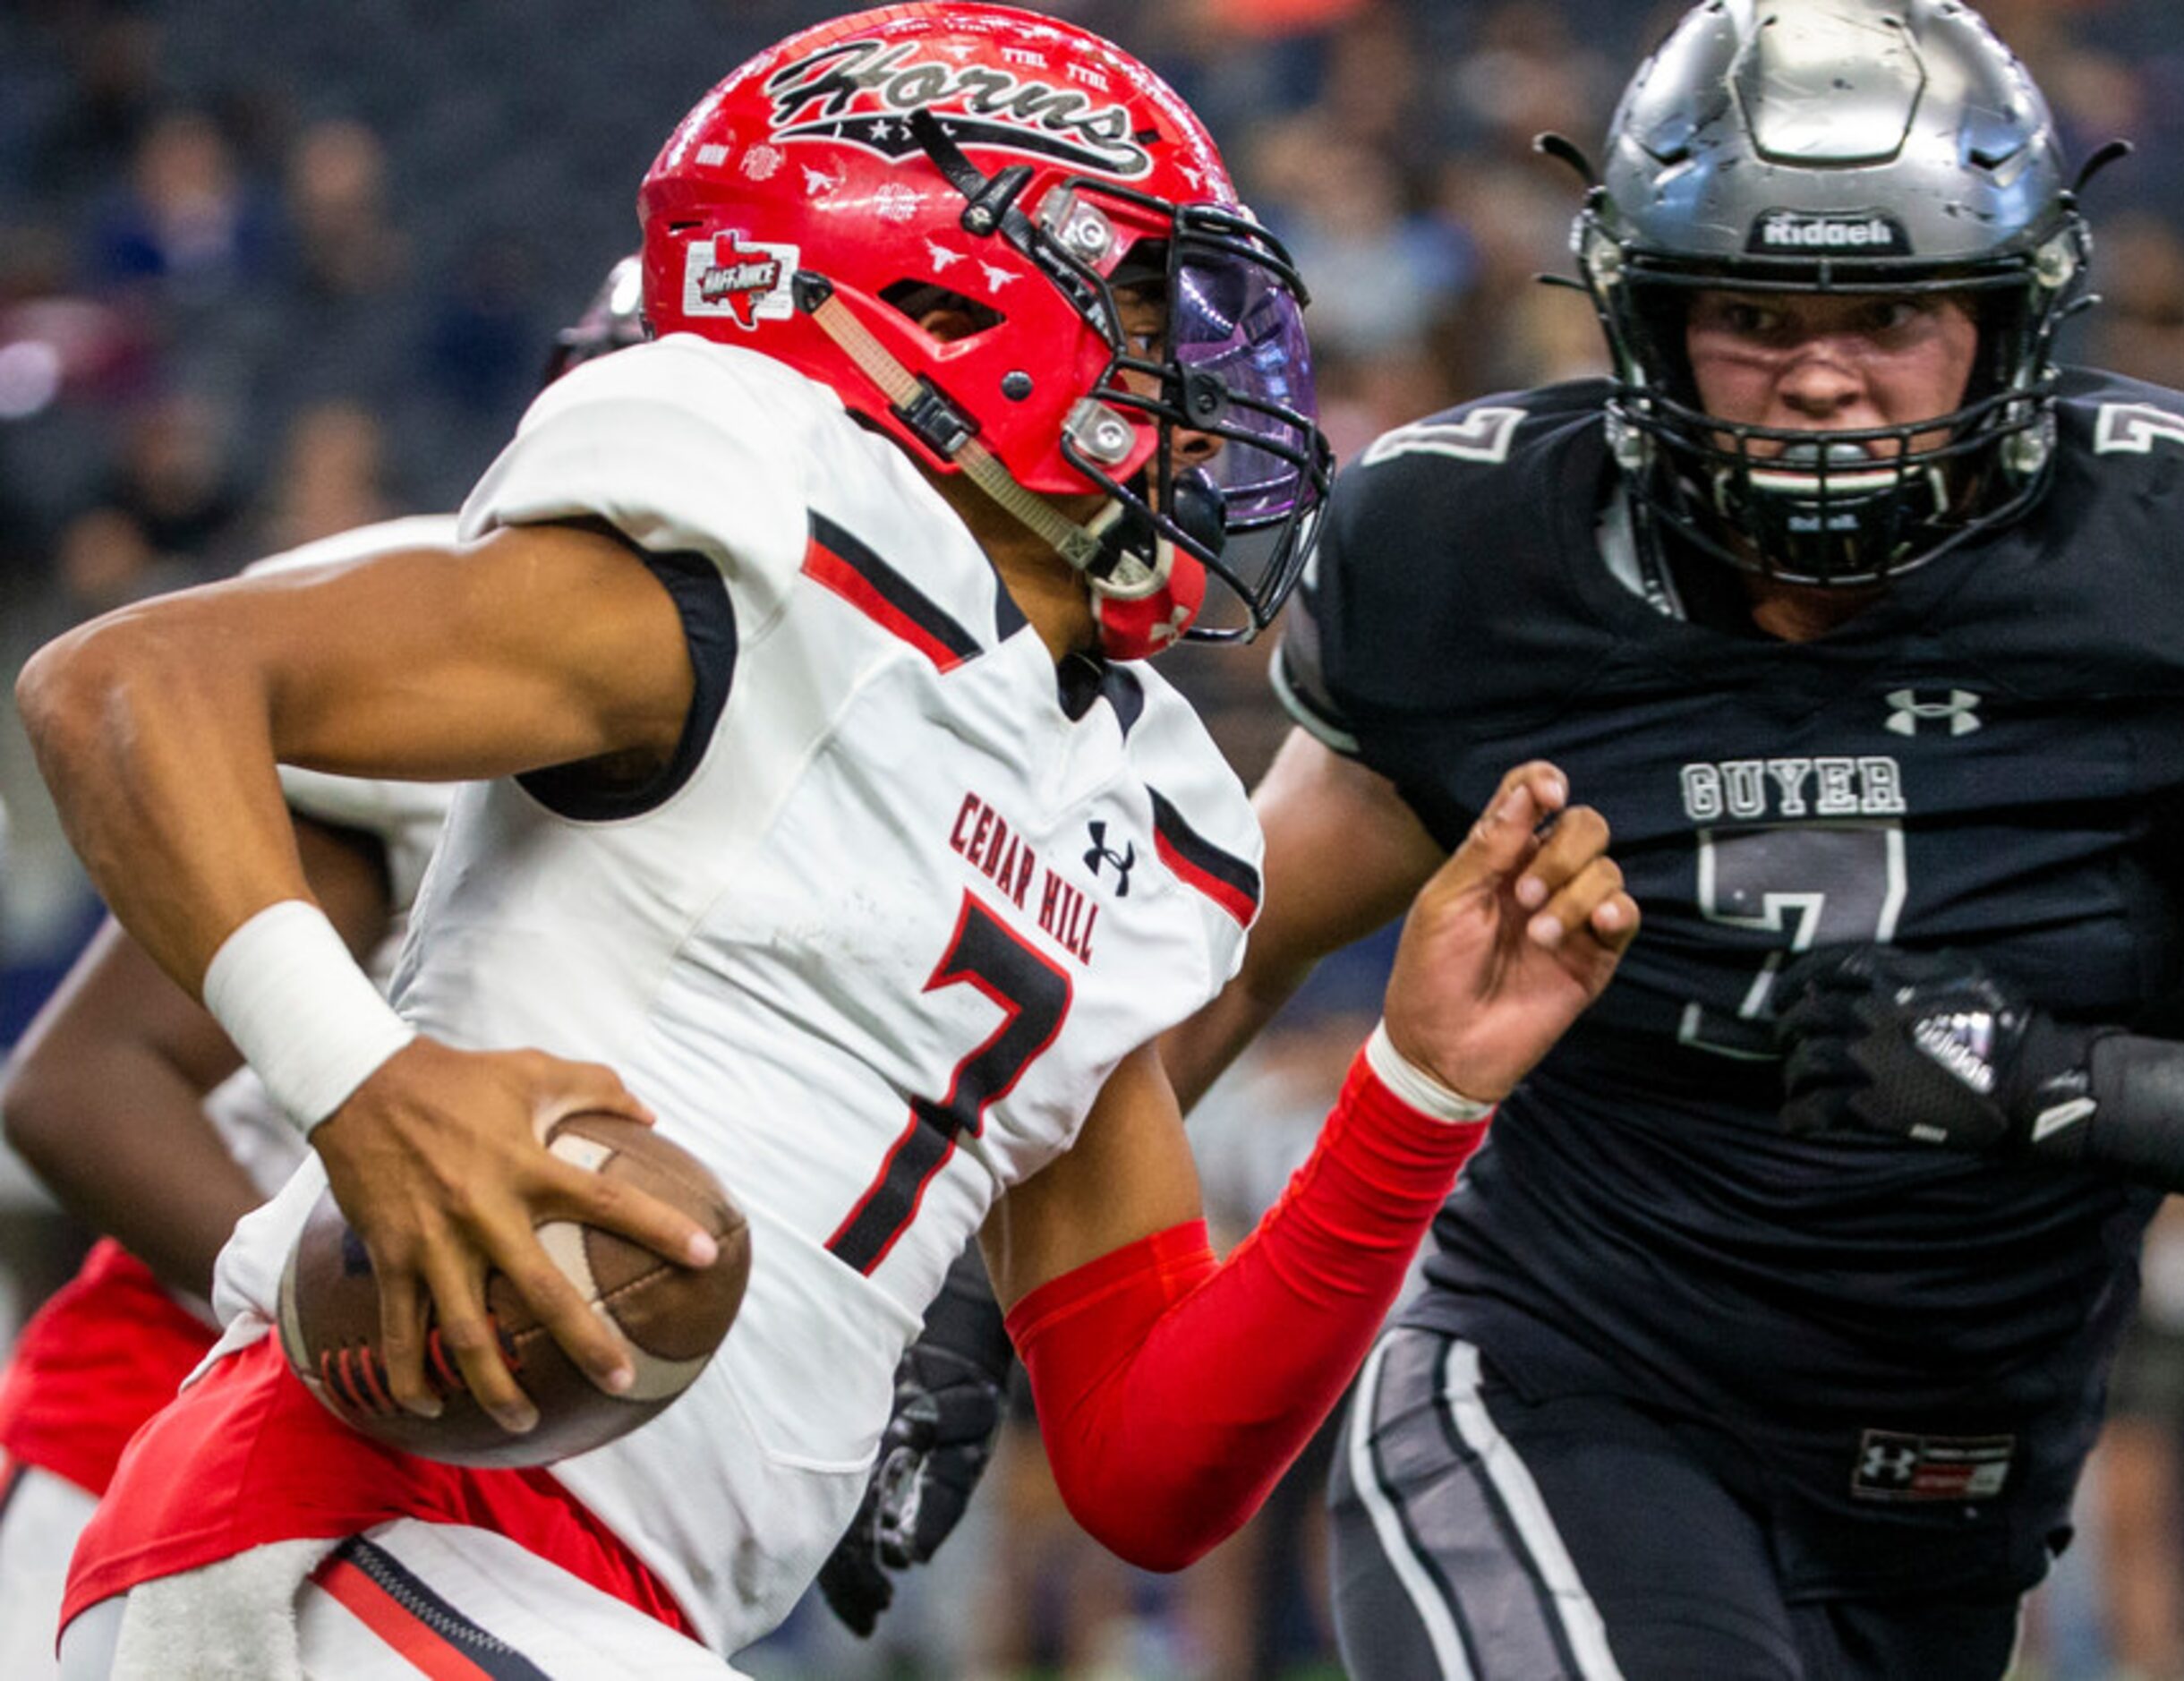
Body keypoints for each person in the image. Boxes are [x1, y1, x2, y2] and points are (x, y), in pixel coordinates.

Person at [15, 7, 1639, 1676]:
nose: (1202, 377)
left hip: (589, 1604)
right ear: (945, 304)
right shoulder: (755, 550)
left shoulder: (1122, 802)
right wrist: (358, 1084)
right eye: (1148, 303)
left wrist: (1421, 1088)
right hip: (356, 1527)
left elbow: (1150, 1465)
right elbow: (126, 683)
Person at [1151, 2, 2184, 1676]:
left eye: (1893, 307)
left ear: (2010, 315)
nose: (1823, 374)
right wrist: (976, 1299)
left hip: (1954, 1496)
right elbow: (1206, 966)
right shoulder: (1479, 562)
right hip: (1566, 1392)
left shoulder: (2182, 573)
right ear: (1645, 315)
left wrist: (2059, 1084)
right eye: (1752, 311)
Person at [0, 256, 649, 1678]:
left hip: (524, 1481)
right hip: (191, 1428)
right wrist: (375, 1317)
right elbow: (80, 1081)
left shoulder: (886, 749)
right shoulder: (462, 644)